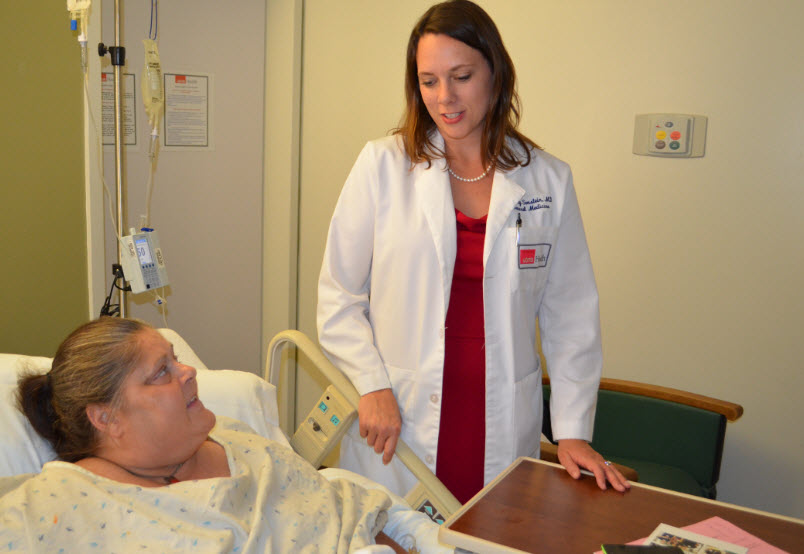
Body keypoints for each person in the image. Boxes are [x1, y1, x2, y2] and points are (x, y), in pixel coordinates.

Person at [317, 0, 629, 504]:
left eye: (461, 76)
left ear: (496, 72)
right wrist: (372, 386)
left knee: (488, 532)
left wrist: (572, 430)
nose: (445, 98)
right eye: (429, 81)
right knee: (394, 532)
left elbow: (571, 313)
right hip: (400, 411)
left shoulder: (547, 179)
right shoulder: (382, 166)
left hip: (499, 415)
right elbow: (339, 296)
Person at [2, 317, 413, 553]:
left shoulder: (235, 439)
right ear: (106, 418)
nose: (188, 373)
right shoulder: (58, 501)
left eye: (176, 360)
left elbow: (344, 515)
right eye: (161, 371)